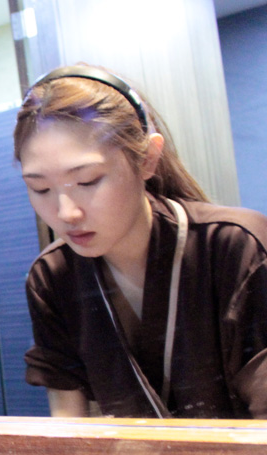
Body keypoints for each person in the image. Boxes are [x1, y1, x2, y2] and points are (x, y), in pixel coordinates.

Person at [15, 65, 267, 419]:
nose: (66, 213)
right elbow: (70, 428)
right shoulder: (52, 277)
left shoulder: (235, 245)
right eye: (40, 188)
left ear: (147, 158)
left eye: (88, 181)